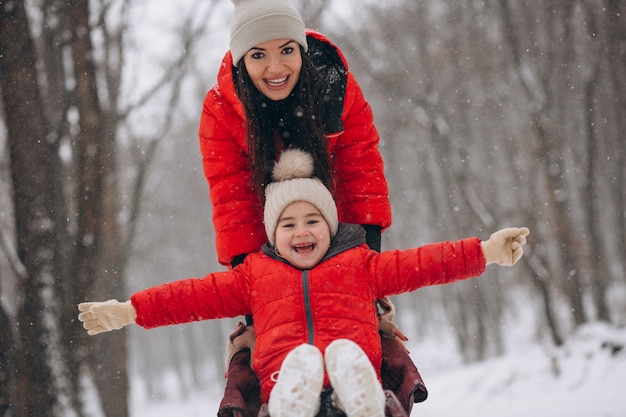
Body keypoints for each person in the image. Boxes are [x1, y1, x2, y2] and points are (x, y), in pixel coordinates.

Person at [78, 150, 529, 417]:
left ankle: (363, 399)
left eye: (313, 220)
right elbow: (193, 296)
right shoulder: (255, 275)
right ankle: (292, 404)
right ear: (274, 235)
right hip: (283, 383)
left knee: (354, 374)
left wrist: (483, 251)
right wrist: (131, 310)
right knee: (292, 380)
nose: (302, 231)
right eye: (289, 224)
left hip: (354, 381)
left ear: (330, 225)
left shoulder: (360, 264)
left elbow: (422, 264)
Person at [199, 0, 422, 415]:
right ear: (240, 58)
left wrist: (363, 263)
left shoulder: (335, 86)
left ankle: (365, 391)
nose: (275, 67)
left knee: (361, 322)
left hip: (336, 228)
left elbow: (361, 171)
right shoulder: (221, 111)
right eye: (258, 55)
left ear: (301, 48)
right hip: (268, 241)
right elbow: (232, 202)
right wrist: (255, 289)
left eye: (286, 49)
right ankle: (283, 396)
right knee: (266, 339)